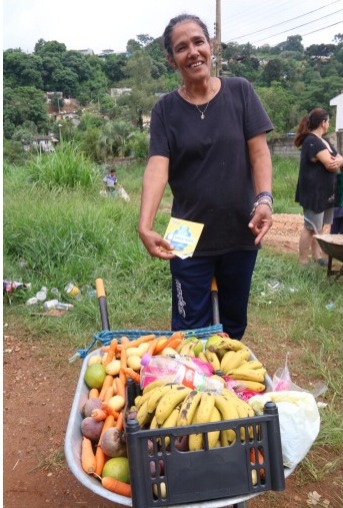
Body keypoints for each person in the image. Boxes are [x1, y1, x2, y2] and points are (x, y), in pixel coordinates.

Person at [138, 13, 274, 340]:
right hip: (185, 234)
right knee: (188, 331)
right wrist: (145, 224)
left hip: (240, 229)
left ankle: (222, 388)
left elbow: (259, 153)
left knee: (232, 326)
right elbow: (158, 166)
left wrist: (265, 198)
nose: (193, 52)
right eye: (182, 48)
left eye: (198, 42)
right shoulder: (165, 111)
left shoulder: (240, 92)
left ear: (211, 46)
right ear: (172, 61)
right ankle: (188, 389)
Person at [294, 108, 343, 265]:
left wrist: (340, 160)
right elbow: (331, 165)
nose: (328, 124)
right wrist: (338, 161)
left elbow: (338, 158)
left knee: (320, 226)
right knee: (310, 227)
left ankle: (317, 256)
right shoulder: (311, 141)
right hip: (313, 192)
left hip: (325, 192)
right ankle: (302, 261)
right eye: (328, 121)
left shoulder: (325, 141)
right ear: (323, 123)